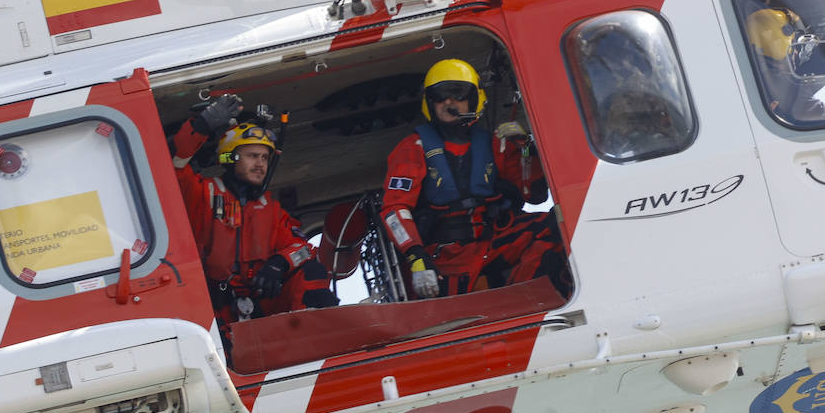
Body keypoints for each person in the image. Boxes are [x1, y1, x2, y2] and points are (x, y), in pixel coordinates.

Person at [380, 59, 568, 299]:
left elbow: (535, 194)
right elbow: (395, 208)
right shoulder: (413, 148)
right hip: (446, 255)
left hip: (494, 240)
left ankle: (527, 298)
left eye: (457, 93)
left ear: (474, 98)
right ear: (429, 102)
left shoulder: (494, 144)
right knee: (449, 313)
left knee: (557, 225)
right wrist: (416, 257)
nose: (449, 102)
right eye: (440, 96)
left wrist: (525, 148)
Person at [172, 93, 337, 326]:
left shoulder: (269, 208)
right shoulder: (203, 193)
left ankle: (318, 330)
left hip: (262, 304)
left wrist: (278, 263)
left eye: (264, 157)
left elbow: (304, 249)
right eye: (252, 156)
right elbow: (176, 165)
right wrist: (201, 127)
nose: (260, 164)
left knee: (312, 271)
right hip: (212, 310)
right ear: (231, 157)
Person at [744, 6, 825, 125]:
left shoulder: (750, 86)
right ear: (787, 49)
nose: (798, 51)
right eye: (796, 44)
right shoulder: (799, 96)